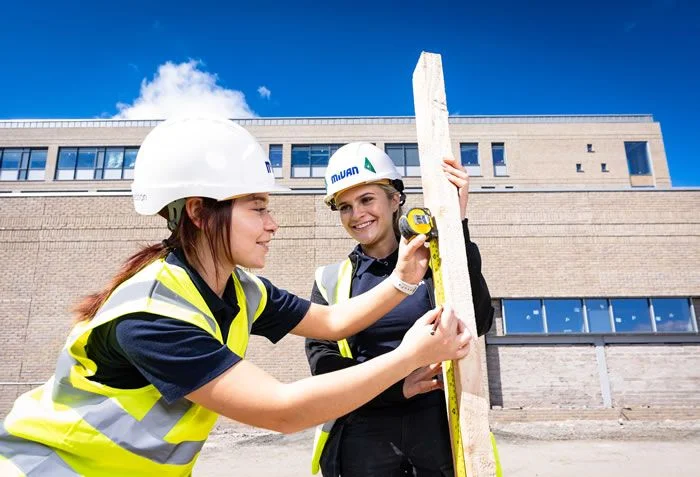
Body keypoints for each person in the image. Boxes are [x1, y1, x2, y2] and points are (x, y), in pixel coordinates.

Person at [0, 118, 473, 477]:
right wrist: (411, 356)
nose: (273, 225)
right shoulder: (151, 315)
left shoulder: (239, 288)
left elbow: (331, 323)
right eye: (259, 209)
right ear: (200, 212)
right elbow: (282, 410)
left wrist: (403, 280)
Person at [306, 142, 494, 477]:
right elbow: (323, 364)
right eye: (345, 207)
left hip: (439, 428)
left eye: (366, 200)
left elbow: (478, 321)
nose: (357, 214)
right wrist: (396, 385)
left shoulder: (436, 263)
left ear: (395, 200)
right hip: (364, 433)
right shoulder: (331, 280)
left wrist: (455, 226)